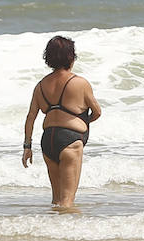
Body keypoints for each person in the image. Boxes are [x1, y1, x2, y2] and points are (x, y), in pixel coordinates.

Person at [21, 36, 101, 207]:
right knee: (67, 201)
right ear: (71, 57)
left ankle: (53, 231)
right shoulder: (80, 83)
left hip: (48, 141)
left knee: (56, 200)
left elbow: (30, 118)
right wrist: (80, 123)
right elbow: (97, 112)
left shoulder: (40, 86)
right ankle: (67, 232)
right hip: (70, 141)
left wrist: (27, 147)